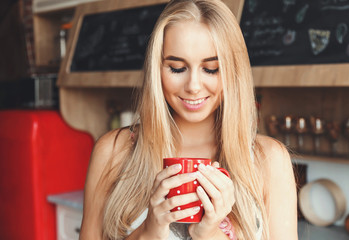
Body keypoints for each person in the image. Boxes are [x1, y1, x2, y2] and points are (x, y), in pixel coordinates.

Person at [79, 0, 298, 239]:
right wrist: (149, 232)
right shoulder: (113, 151)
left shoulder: (269, 160)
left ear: (233, 73)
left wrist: (209, 233)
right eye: (176, 68)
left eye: (211, 69)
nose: (193, 86)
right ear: (157, 70)